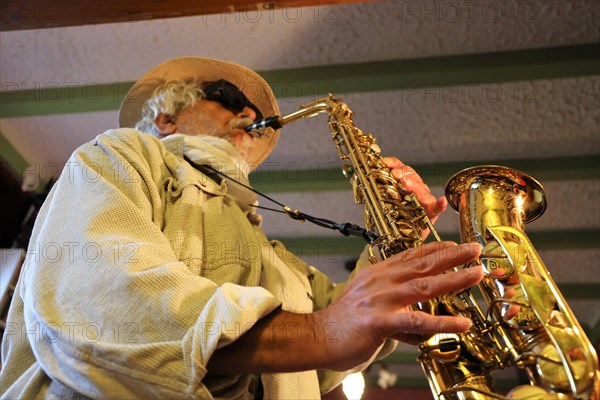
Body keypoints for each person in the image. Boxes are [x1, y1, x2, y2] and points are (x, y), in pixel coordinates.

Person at [0, 57, 483, 399]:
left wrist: (394, 249)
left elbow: (330, 359)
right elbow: (96, 302)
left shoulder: (279, 262)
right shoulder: (120, 154)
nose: (251, 115)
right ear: (165, 118)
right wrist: (321, 329)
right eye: (227, 99)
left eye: (254, 113)